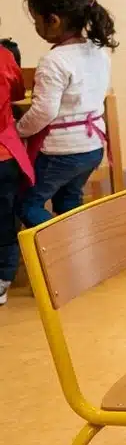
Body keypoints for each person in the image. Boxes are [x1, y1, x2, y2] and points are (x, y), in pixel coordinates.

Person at [16, 0, 116, 227]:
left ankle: (58, 251)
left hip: (62, 151)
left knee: (27, 204)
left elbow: (44, 111)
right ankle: (79, 255)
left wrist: (19, 130)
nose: (36, 27)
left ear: (53, 20)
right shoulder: (97, 50)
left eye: (36, 20)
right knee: (69, 201)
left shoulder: (54, 60)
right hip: (92, 147)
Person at [0, 34, 29, 306]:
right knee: (6, 218)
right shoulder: (5, 56)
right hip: (3, 154)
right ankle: (4, 279)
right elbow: (18, 93)